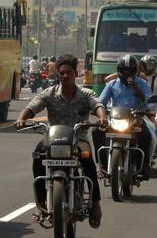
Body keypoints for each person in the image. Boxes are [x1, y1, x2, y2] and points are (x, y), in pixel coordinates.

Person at [14, 54, 106, 227]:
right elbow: (31, 107)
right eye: (62, 73)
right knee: (38, 157)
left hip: (78, 140)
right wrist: (21, 119)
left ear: (75, 73)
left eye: (69, 72)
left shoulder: (86, 93)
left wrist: (102, 118)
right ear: (58, 74)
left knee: (89, 164)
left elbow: (98, 105)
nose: (65, 76)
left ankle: (96, 204)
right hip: (53, 139)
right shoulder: (49, 93)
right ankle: (40, 204)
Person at [97, 54, 157, 179]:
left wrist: (135, 87)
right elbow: (101, 102)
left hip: (136, 119)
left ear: (136, 70)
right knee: (95, 131)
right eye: (124, 69)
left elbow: (148, 101)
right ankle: (101, 165)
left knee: (147, 136)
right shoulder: (112, 84)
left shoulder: (142, 83)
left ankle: (145, 165)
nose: (127, 72)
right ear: (119, 69)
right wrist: (99, 111)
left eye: (130, 69)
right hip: (115, 118)